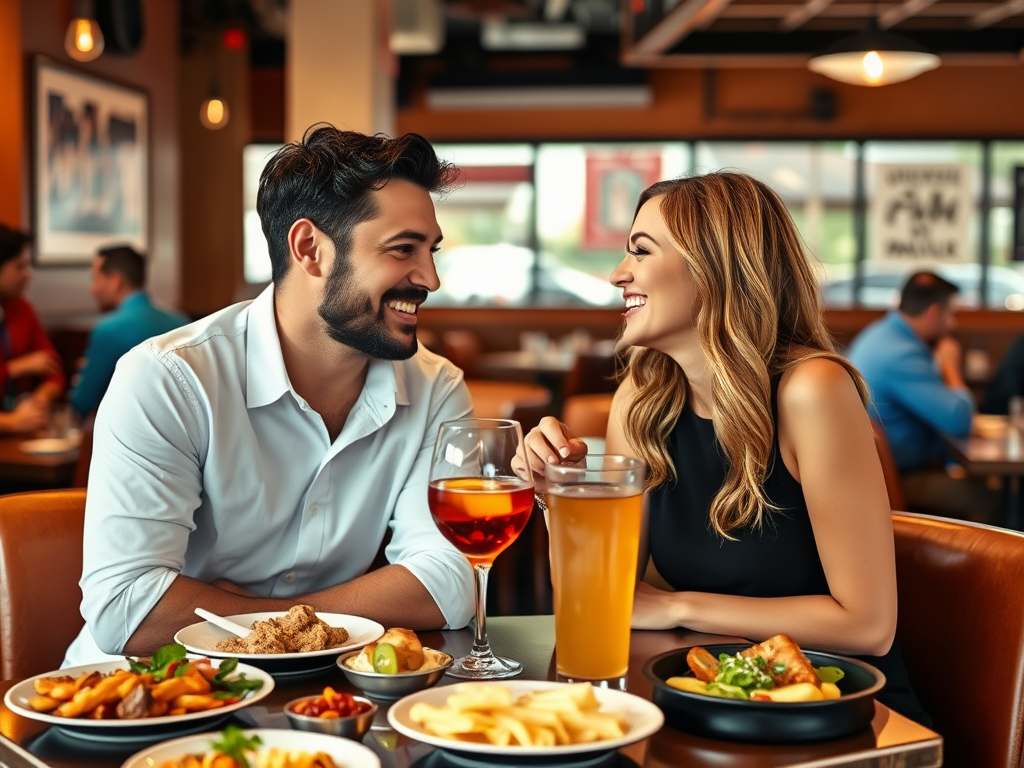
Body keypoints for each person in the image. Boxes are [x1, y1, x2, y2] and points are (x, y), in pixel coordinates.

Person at [515, 172, 929, 724]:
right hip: (708, 699)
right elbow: (602, 603)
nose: (619, 274)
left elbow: (869, 625)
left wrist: (677, 606)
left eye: (640, 251)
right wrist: (559, 498)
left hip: (832, 710)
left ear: (713, 266)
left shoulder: (812, 390)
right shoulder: (641, 400)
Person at [65, 126, 475, 665]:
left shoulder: (436, 387)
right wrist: (328, 618)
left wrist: (280, 623)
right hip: (150, 695)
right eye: (404, 250)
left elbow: (449, 583)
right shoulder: (169, 379)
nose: (431, 278)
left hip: (325, 690)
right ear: (309, 249)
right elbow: (127, 608)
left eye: (431, 251)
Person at [847, 271, 999, 522]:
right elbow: (960, 420)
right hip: (899, 478)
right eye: (952, 314)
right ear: (933, 312)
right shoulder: (900, 354)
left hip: (878, 474)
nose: (954, 325)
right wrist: (951, 367)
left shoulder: (881, 335)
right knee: (993, 499)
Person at [69, 245, 188, 417]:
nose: (92, 288)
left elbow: (83, 402)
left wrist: (81, 379)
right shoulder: (181, 322)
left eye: (96, 279)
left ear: (115, 281)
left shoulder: (108, 330)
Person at [0, 224, 65, 434]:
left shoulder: (22, 308)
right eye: (19, 267)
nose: (27, 275)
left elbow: (54, 370)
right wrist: (10, 422)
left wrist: (38, 402)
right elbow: (31, 364)